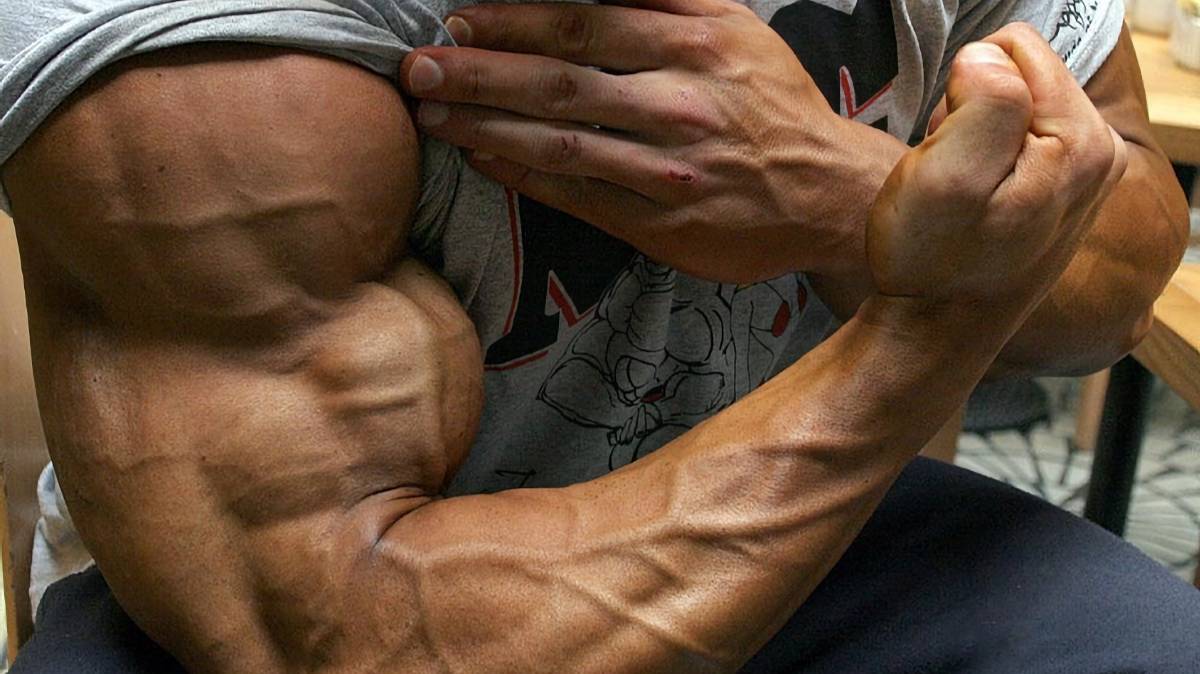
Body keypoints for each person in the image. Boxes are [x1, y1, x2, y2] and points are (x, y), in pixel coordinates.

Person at [0, 0, 1196, 672]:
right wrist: (930, 324)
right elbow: (337, 629)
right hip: (282, 614)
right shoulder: (213, 36)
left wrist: (852, 198)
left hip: (820, 544)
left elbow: (1126, 259)